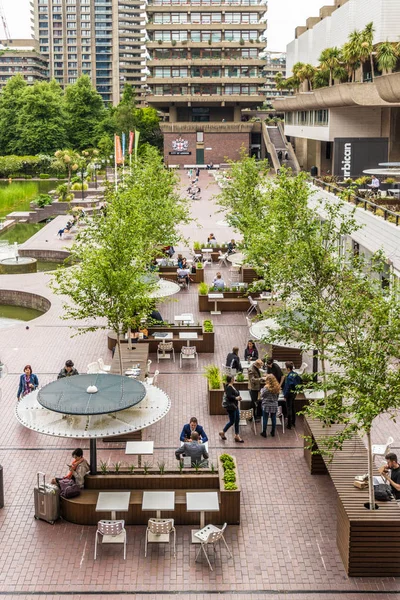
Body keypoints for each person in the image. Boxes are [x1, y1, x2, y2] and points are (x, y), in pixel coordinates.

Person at [219, 375, 244, 443]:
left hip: (235, 406)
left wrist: (238, 397)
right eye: (233, 378)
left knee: (237, 420)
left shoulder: (231, 386)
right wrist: (236, 398)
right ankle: (223, 432)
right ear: (231, 379)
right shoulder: (229, 387)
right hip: (231, 407)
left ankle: (236, 435)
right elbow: (229, 396)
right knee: (232, 421)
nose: (235, 379)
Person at [282, 361, 302, 430]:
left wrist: (285, 395)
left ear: (288, 369)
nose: (284, 369)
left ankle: (289, 424)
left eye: (285, 368)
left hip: (289, 394)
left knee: (289, 408)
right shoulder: (295, 374)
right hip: (294, 393)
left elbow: (288, 387)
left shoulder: (289, 377)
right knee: (293, 407)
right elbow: (300, 381)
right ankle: (293, 422)